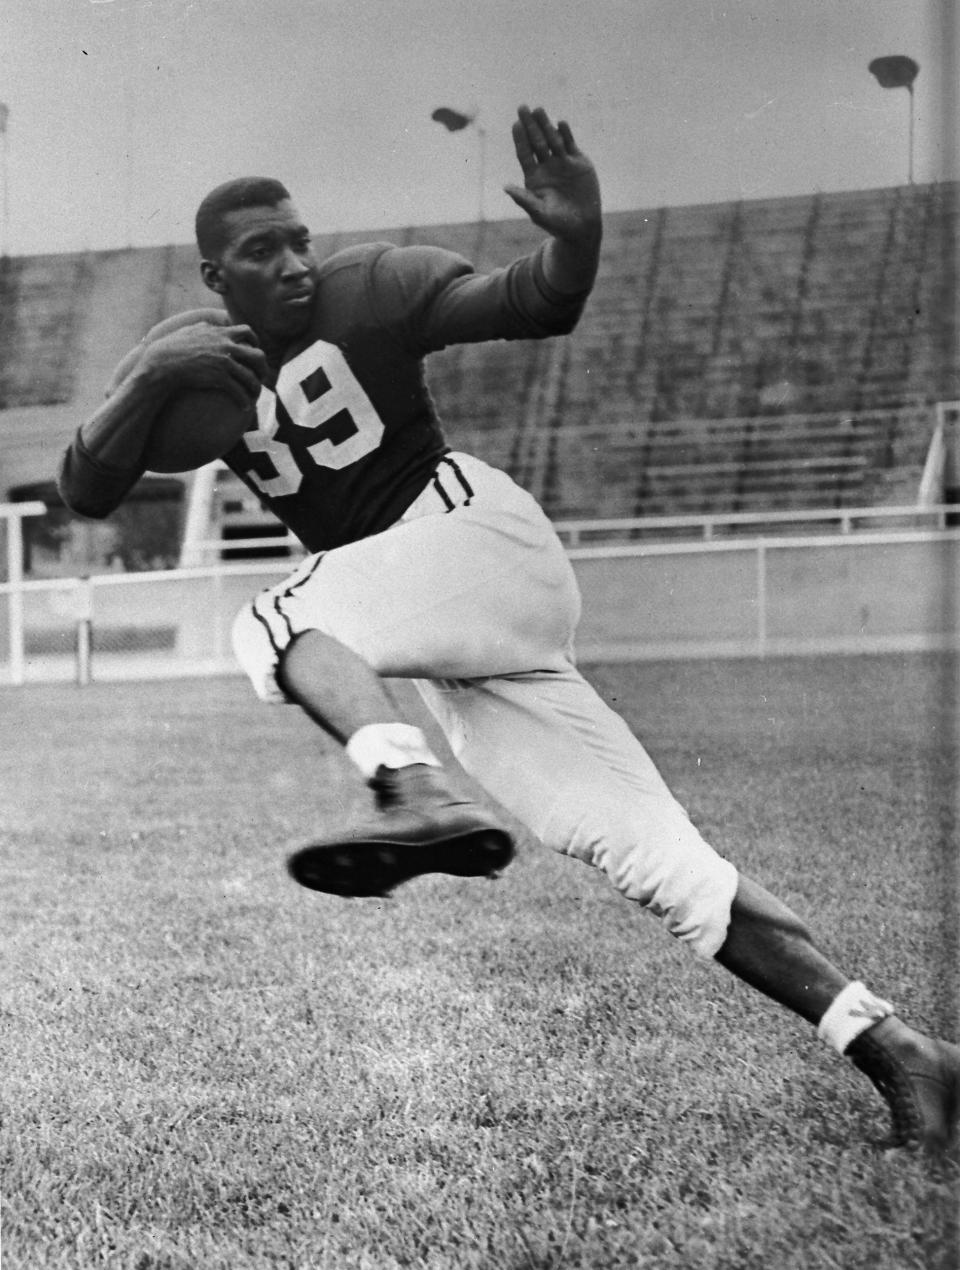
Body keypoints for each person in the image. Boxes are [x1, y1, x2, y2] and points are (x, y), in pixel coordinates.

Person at [58, 105, 959, 1157]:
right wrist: (156, 378)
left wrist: (576, 237)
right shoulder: (205, 360)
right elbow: (88, 482)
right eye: (264, 251)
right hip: (438, 624)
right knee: (647, 857)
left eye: (301, 237)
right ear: (216, 276)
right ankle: (903, 1051)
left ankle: (412, 790)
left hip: (473, 539)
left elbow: (532, 301)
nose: (297, 262)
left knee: (272, 615)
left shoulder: (370, 287)